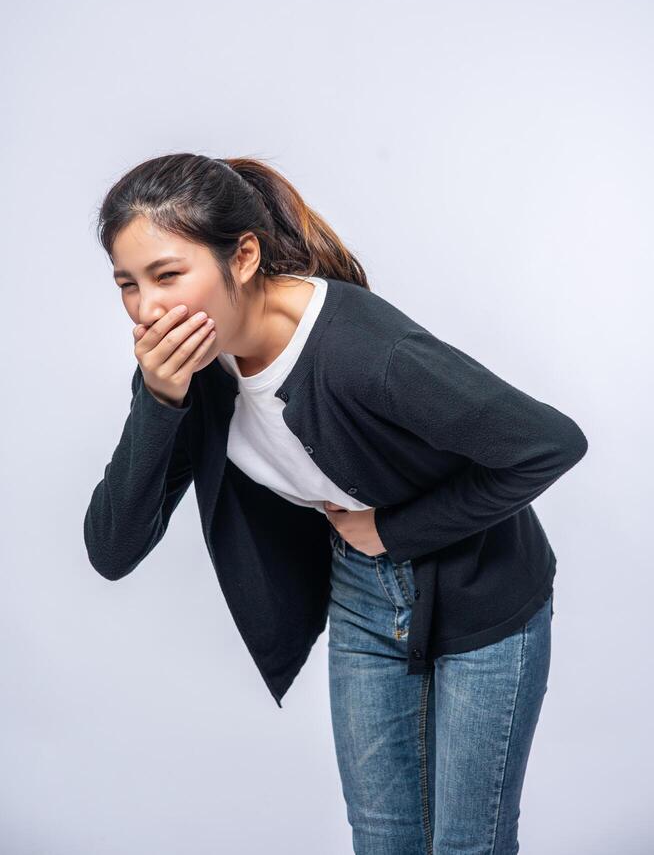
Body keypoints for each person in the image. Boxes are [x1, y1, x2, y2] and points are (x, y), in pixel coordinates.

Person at [84, 153, 588, 855]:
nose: (148, 308)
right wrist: (160, 400)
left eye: (168, 275)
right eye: (127, 285)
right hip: (362, 596)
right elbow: (112, 549)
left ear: (245, 256)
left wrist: (394, 527)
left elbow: (549, 442)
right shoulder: (188, 372)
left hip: (484, 588)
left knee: (467, 844)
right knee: (384, 840)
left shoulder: (361, 350)